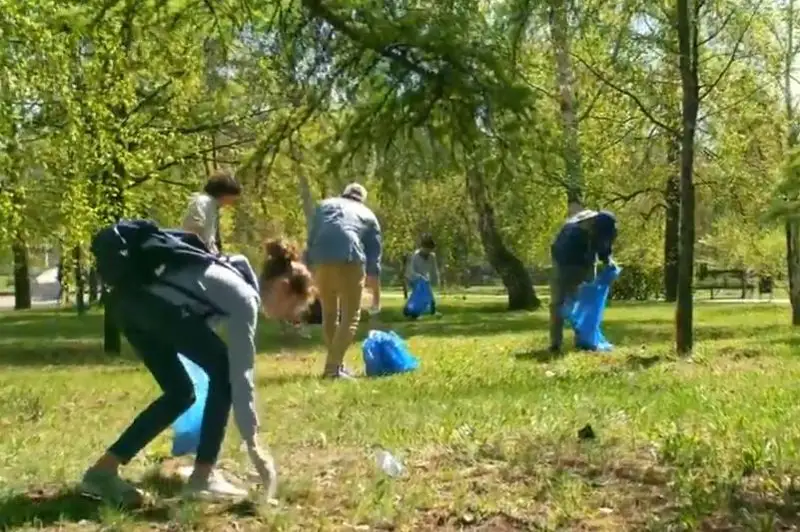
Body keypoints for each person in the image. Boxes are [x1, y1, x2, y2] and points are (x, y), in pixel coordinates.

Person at [81, 226, 315, 506]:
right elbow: (240, 375)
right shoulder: (245, 298)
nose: (288, 320)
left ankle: (102, 470)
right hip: (153, 307)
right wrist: (254, 444)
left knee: (181, 392)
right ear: (283, 288)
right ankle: (203, 478)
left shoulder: (227, 272)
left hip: (126, 305)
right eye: (293, 311)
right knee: (224, 372)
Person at [305, 183, 382, 379]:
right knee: (350, 316)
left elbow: (312, 237)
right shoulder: (368, 215)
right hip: (350, 258)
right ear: (362, 199)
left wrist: (308, 266)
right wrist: (376, 297)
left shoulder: (323, 206)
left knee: (330, 314)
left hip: (321, 258)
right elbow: (374, 261)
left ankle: (336, 365)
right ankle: (332, 369)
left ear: (343, 194)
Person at [549, 209, 617, 354]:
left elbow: (603, 245)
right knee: (563, 305)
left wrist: (607, 260)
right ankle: (560, 343)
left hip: (579, 266)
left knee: (581, 305)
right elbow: (559, 251)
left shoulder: (597, 225)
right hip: (565, 266)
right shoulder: (577, 229)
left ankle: (580, 341)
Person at [182, 170, 242, 255]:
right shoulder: (203, 202)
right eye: (232, 198)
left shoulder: (213, 206)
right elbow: (192, 230)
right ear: (225, 193)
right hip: (199, 254)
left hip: (208, 253)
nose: (232, 202)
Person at [405, 234, 441, 316]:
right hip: (412, 278)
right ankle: (429, 309)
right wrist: (419, 277)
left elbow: (434, 270)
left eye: (430, 250)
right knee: (422, 292)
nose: (428, 252)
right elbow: (411, 271)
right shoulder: (415, 256)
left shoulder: (432, 257)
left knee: (425, 292)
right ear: (423, 247)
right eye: (427, 249)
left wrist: (436, 280)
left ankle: (412, 310)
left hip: (424, 279)